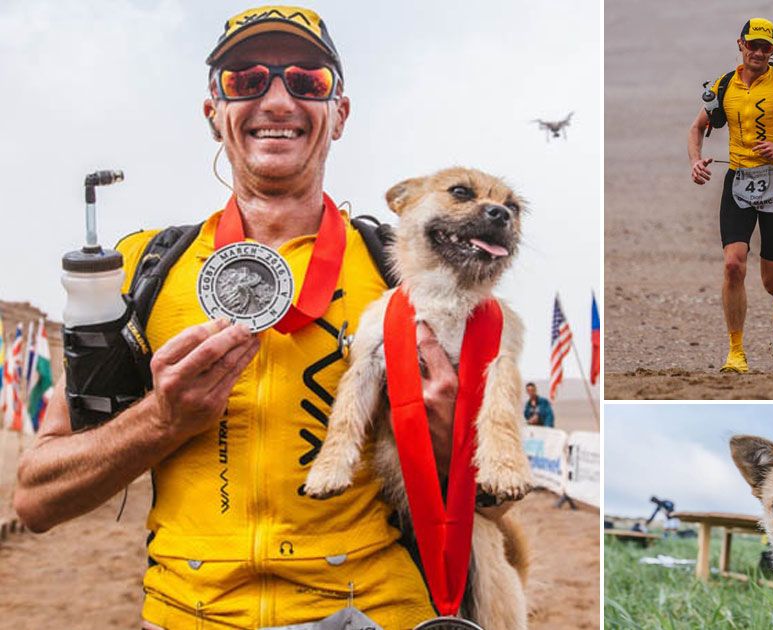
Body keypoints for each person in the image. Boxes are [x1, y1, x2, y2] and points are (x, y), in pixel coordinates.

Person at [13, 7, 459, 628]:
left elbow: (485, 504)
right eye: (246, 80)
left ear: (339, 115)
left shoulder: (404, 277)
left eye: (308, 81)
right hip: (187, 611)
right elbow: (35, 496)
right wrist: (162, 421)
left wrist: (442, 435)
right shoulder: (145, 271)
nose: (278, 100)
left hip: (372, 608)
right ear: (213, 113)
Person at [688, 17, 773, 373]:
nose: (758, 52)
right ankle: (736, 352)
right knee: (733, 265)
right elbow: (697, 128)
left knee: (771, 282)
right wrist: (695, 161)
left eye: (765, 47)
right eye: (753, 44)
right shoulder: (724, 86)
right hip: (738, 181)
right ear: (740, 44)